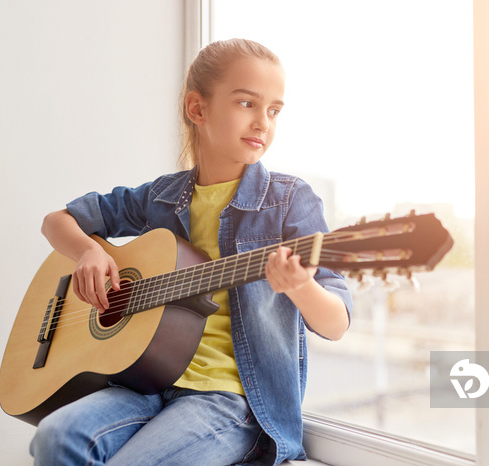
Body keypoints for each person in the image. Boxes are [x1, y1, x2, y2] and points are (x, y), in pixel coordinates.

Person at [30, 38, 352, 466]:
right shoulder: (161, 198)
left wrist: (300, 287)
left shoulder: (289, 200)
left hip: (230, 401)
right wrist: (88, 252)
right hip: (145, 383)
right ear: (197, 109)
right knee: (55, 437)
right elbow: (57, 221)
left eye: (274, 110)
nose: (263, 123)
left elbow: (336, 323)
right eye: (246, 104)